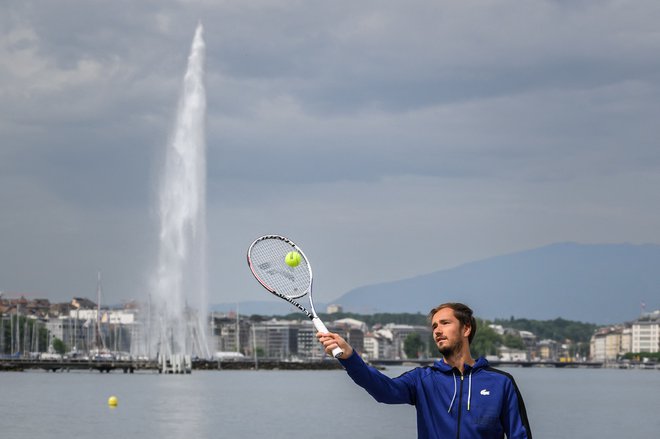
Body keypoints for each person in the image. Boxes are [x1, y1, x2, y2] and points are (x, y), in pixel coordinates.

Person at [317, 302, 532, 439]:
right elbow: (384, 390)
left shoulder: (501, 383)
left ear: (466, 328)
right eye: (434, 326)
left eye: (445, 323)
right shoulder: (423, 380)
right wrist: (350, 358)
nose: (437, 330)